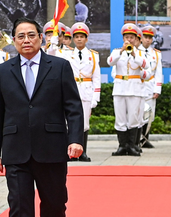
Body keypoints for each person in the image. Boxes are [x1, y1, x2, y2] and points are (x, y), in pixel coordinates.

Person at [0, 18, 84, 217]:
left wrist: (76, 140)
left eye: (31, 35)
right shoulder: (4, 70)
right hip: (16, 150)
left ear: (41, 38)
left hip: (51, 149)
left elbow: (73, 108)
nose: (26, 40)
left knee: (54, 206)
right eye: (20, 36)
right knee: (19, 206)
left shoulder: (60, 67)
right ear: (14, 40)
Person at [107, 23, 148, 156]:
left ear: (136, 38)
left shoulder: (140, 53)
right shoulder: (117, 52)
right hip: (119, 88)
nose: (129, 40)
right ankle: (122, 145)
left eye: (131, 37)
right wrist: (122, 51)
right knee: (120, 118)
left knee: (133, 118)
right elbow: (110, 62)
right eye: (127, 37)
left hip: (135, 89)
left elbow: (145, 65)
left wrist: (134, 53)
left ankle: (132, 145)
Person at [67, 22, 101, 161]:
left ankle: (83, 152)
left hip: (86, 91)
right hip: (71, 91)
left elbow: (96, 78)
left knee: (84, 124)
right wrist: (54, 42)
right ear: (73, 39)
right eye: (77, 37)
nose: (79, 39)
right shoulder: (67, 54)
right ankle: (70, 152)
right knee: (69, 123)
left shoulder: (93, 56)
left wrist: (95, 98)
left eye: (82, 36)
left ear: (86, 39)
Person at [138, 25, 162, 149]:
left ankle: (145, 138)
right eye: (145, 37)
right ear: (141, 38)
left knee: (149, 114)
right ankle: (137, 139)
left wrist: (157, 89)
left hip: (150, 86)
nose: (147, 40)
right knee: (138, 113)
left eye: (150, 38)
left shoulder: (156, 54)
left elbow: (158, 72)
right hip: (138, 85)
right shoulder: (136, 51)